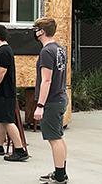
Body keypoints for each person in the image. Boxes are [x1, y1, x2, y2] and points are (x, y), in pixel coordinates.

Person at [0, 25, 29, 161]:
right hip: (1, 92)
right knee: (0, 119)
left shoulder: (4, 51)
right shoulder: (3, 51)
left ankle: (20, 150)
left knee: (8, 120)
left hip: (4, 92)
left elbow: (2, 72)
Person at [33, 18, 69, 184]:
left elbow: (46, 80)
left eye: (36, 29)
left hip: (52, 101)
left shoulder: (46, 52)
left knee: (54, 139)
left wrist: (40, 105)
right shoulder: (60, 49)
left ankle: (60, 177)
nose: (35, 32)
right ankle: (60, 170)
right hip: (60, 97)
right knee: (58, 137)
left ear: (42, 32)